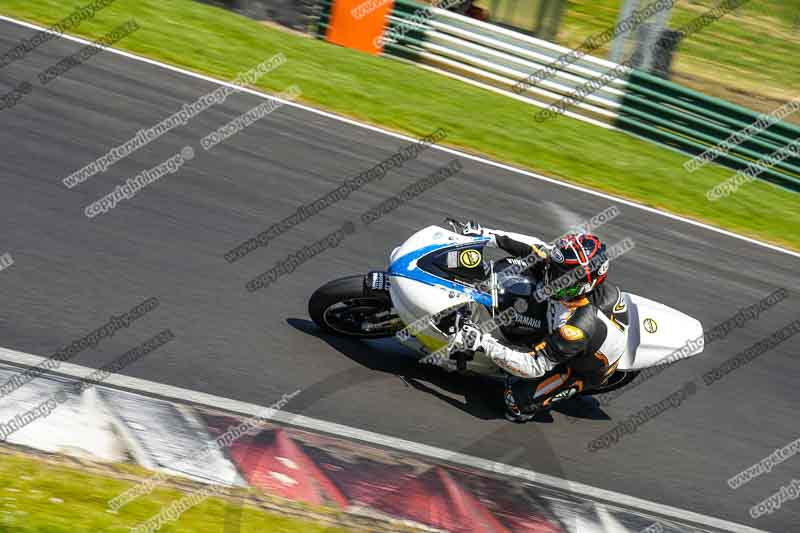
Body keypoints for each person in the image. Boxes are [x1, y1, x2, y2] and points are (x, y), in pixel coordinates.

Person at [445, 222, 629, 422]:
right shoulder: (562, 271)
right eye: (555, 269)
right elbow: (533, 248)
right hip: (564, 321)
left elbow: (534, 366)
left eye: (563, 276)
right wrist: (484, 235)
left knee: (515, 402)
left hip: (578, 366)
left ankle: (558, 392)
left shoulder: (577, 328)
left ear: (585, 284)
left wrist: (482, 343)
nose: (553, 277)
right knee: (519, 273)